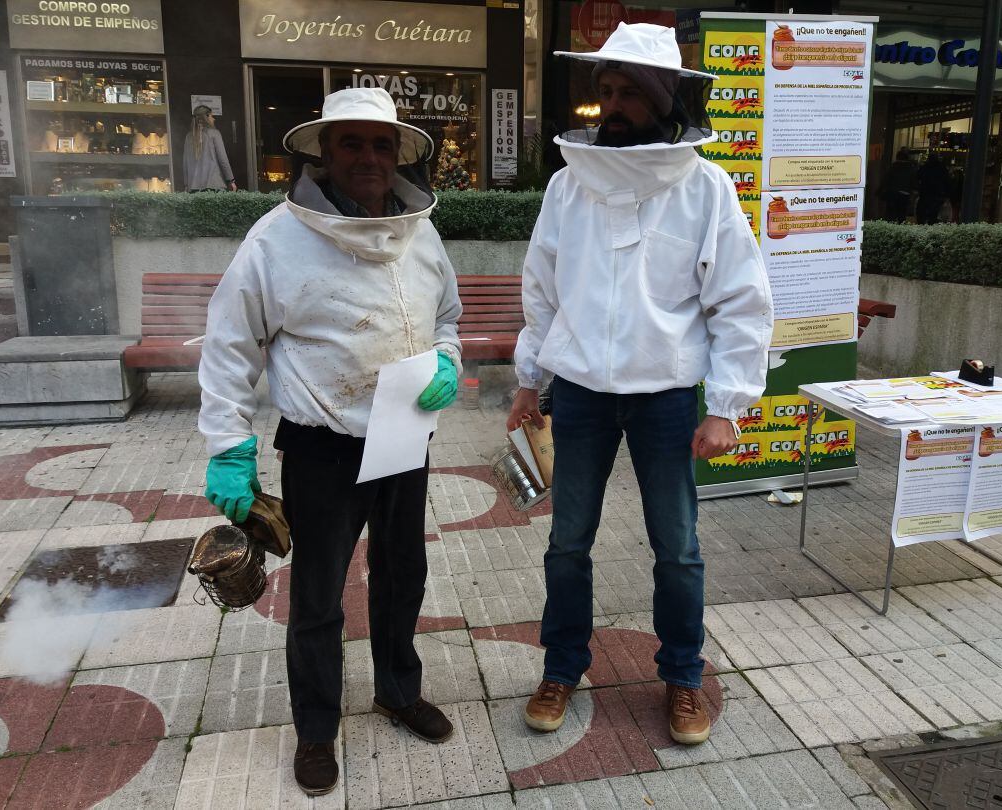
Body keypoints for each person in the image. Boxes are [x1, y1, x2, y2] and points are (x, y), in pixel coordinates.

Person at [507, 22, 773, 745]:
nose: (615, 105)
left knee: (678, 547)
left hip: (664, 396)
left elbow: (740, 301)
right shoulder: (569, 184)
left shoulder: (707, 188)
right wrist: (529, 382)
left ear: (664, 98)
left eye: (631, 92)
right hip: (584, 393)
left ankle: (684, 678)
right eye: (608, 91)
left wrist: (727, 407)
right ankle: (562, 666)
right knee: (567, 543)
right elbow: (544, 291)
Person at [197, 87, 463, 797]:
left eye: (381, 144)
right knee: (317, 594)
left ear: (399, 154)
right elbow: (230, 345)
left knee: (403, 572)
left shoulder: (421, 232)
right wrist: (230, 444)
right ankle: (316, 728)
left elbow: (446, 319)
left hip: (405, 430)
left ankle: (396, 691)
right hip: (322, 443)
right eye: (351, 143)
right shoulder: (274, 239)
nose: (368, 157)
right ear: (322, 153)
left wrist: (448, 361)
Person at [183, 105, 237, 191]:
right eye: (212, 116)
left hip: (193, 187)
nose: (214, 119)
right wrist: (231, 180)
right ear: (207, 117)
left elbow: (185, 162)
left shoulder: (189, 137)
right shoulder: (214, 134)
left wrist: (186, 184)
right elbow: (223, 159)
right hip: (214, 185)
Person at [882, 148, 917, 223]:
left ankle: (890, 226)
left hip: (892, 192)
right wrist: (913, 191)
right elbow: (914, 181)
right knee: (902, 213)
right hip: (905, 193)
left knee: (891, 213)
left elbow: (886, 179)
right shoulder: (911, 168)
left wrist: (882, 190)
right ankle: (900, 227)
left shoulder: (893, 167)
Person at [916, 153, 951, 224]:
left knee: (922, 212)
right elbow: (947, 182)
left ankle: (922, 224)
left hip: (925, 193)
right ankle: (931, 224)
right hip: (937, 194)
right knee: (934, 213)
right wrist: (947, 195)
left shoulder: (925, 167)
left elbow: (918, 177)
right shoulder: (942, 168)